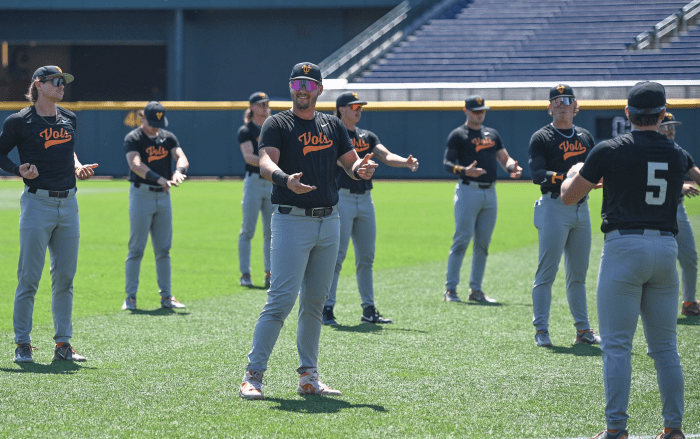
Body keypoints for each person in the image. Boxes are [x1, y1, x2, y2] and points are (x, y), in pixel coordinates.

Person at [239, 62, 377, 400]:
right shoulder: (277, 122)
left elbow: (349, 162)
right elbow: (266, 162)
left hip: (329, 220)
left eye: (310, 84)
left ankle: (308, 377)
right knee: (281, 300)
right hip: (291, 219)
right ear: (290, 87)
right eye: (298, 83)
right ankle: (252, 376)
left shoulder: (332, 124)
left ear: (319, 90)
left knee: (315, 302)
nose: (303, 89)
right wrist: (285, 179)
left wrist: (363, 168)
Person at [561, 82, 686, 439]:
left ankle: (616, 428)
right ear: (663, 115)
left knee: (617, 345)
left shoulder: (609, 148)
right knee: (665, 348)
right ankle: (673, 428)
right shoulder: (677, 153)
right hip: (665, 249)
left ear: (627, 113)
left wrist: (574, 173)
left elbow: (570, 198)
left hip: (624, 247)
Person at [0, 65, 98, 363]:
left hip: (68, 204)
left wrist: (77, 165)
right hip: (37, 204)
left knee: (65, 278)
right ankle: (22, 344)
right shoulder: (20, 120)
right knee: (29, 278)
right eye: (56, 82)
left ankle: (63, 344)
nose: (61, 86)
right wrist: (18, 169)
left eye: (63, 82)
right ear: (38, 85)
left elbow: (67, 151)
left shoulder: (69, 117)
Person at [321, 91, 419, 326]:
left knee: (366, 258)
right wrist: (355, 163)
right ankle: (326, 307)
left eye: (360, 106)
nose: (359, 110)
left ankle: (368, 308)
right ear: (341, 109)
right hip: (342, 198)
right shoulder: (333, 133)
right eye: (354, 106)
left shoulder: (366, 135)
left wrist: (404, 162)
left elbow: (385, 155)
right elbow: (334, 160)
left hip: (365, 199)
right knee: (337, 256)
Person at [528, 84, 601, 347]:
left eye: (566, 99)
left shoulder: (584, 136)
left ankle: (583, 331)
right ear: (549, 107)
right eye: (556, 100)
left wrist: (594, 180)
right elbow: (537, 174)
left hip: (583, 208)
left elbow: (595, 169)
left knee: (578, 275)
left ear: (575, 106)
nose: (561, 104)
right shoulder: (542, 137)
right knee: (546, 273)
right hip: (554, 206)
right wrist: (568, 177)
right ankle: (541, 330)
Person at [442, 95, 522, 303]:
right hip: (468, 191)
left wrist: (513, 167)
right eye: (476, 110)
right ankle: (450, 290)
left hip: (490, 192)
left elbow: (504, 158)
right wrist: (464, 170)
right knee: (461, 240)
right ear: (466, 111)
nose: (480, 114)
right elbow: (447, 163)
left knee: (483, 244)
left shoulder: (492, 134)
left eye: (483, 110)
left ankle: (476, 290)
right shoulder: (458, 135)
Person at [122, 101, 189, 311]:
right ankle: (130, 297)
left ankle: (167, 296)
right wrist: (159, 178)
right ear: (143, 118)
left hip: (163, 196)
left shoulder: (167, 137)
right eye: (152, 122)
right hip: (141, 194)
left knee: (163, 249)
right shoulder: (134, 137)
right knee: (136, 248)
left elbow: (181, 157)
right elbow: (135, 164)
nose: (155, 126)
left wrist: (179, 171)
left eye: (159, 122)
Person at [659, 113, 700, 317]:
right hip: (654, 212)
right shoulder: (650, 151)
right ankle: (653, 306)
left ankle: (689, 301)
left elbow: (695, 173)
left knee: (690, 258)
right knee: (659, 261)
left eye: (673, 126)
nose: (671, 130)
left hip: (677, 210)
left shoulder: (680, 153)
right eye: (666, 126)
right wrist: (678, 187)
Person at [237, 92, 274, 288]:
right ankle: (245, 274)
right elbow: (248, 157)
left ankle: (270, 273)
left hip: (270, 182)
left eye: (266, 103)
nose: (264, 107)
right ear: (251, 107)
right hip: (253, 181)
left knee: (271, 231)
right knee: (248, 230)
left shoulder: (273, 128)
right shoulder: (246, 130)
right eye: (260, 104)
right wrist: (270, 162)